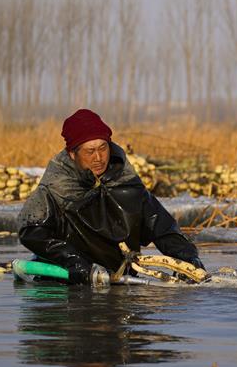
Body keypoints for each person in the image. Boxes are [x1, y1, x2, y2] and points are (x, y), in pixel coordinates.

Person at [18, 109, 203, 285]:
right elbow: (32, 233)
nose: (98, 157)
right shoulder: (54, 189)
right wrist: (72, 259)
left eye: (103, 148)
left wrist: (187, 258)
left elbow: (162, 228)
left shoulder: (128, 184)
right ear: (72, 154)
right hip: (68, 284)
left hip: (119, 281)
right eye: (90, 151)